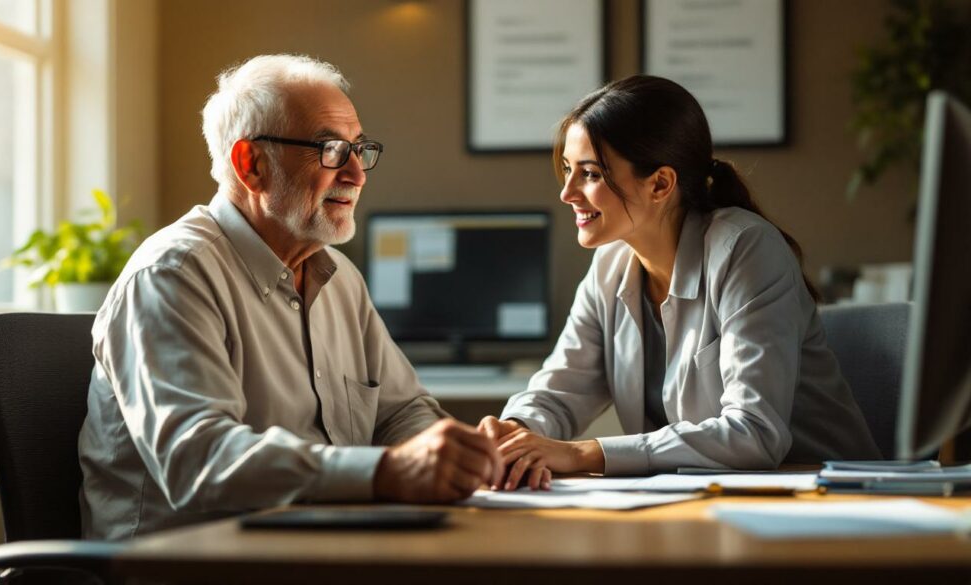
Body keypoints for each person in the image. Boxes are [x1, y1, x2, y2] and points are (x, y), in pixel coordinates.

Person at [78, 54, 502, 540]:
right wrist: (385, 472)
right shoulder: (172, 275)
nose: (357, 174)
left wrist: (462, 458)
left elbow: (400, 412)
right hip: (186, 564)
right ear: (251, 164)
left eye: (358, 149)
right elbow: (200, 461)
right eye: (330, 150)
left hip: (320, 549)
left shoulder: (340, 277)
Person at [479, 75, 880, 490]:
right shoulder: (610, 264)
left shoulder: (745, 248)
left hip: (827, 499)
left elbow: (754, 432)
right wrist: (515, 431)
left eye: (590, 174)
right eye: (566, 170)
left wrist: (584, 452)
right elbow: (561, 389)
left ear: (660, 184)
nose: (567, 193)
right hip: (705, 498)